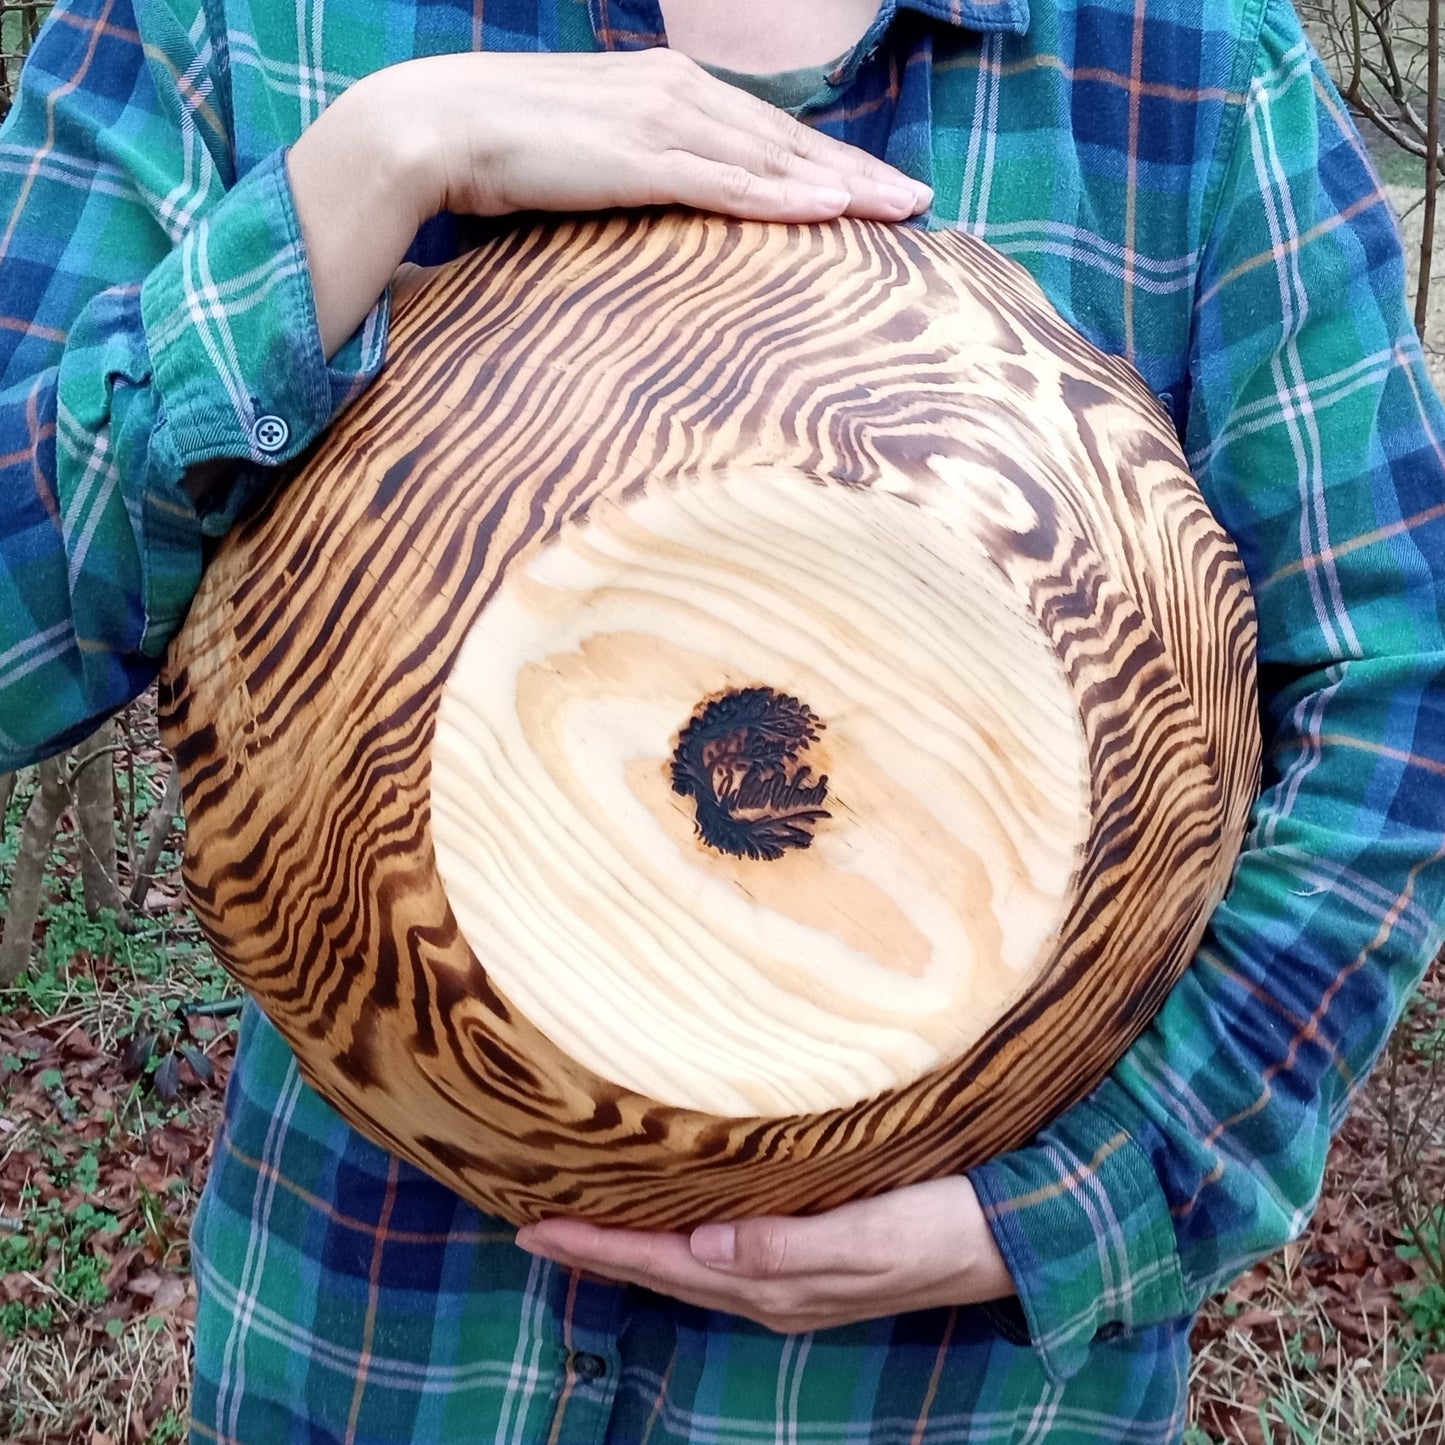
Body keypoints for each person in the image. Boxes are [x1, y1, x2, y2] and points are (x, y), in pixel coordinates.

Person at [2, 0, 1442, 1439]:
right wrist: (380, 161)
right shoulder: (247, 26)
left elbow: (1397, 691)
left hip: (939, 1398)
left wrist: (1100, 1196)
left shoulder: (1180, 69)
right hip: (378, 1350)